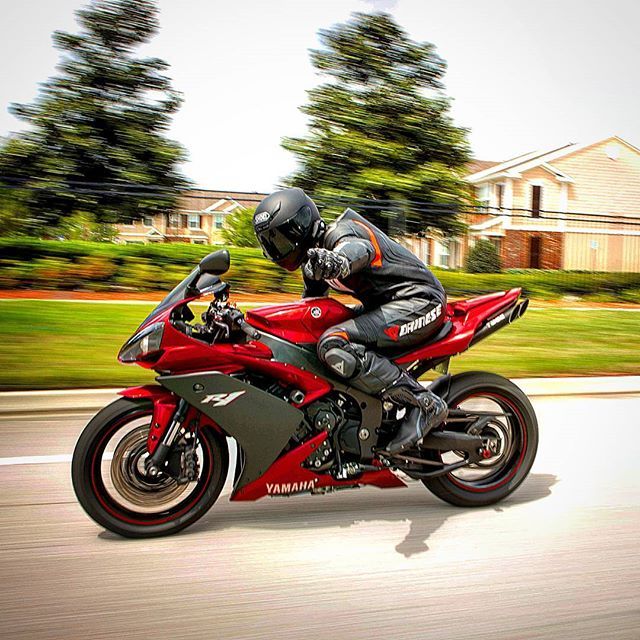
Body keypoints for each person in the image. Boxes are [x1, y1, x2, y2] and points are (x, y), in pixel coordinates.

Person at [253, 187, 448, 454]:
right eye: (270, 242)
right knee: (313, 339)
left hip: (421, 302)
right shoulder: (314, 264)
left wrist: (339, 261)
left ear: (300, 225)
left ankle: (426, 404)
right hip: (388, 307)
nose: (277, 248)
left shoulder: (340, 233)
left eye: (280, 239)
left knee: (334, 343)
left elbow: (359, 249)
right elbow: (310, 310)